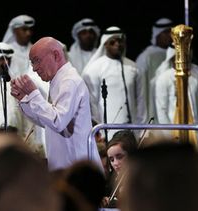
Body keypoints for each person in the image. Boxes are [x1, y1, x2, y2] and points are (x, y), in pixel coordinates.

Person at [10, 37, 103, 172]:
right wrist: (24, 100)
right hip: (66, 167)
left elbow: (58, 122)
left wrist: (34, 94)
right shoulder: (58, 80)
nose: (35, 69)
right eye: (32, 63)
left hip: (77, 170)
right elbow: (46, 122)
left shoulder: (69, 81)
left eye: (37, 61)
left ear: (56, 55)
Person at [82, 26, 146, 138]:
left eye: (120, 41)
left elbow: (141, 100)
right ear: (105, 44)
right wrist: (98, 131)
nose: (117, 44)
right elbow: (92, 103)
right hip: (106, 131)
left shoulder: (133, 68)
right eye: (112, 42)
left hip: (133, 131)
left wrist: (143, 130)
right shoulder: (94, 69)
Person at [155, 46, 198, 126]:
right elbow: (161, 110)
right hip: (174, 130)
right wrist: (169, 133)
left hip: (197, 128)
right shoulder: (164, 78)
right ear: (173, 57)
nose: (187, 55)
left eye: (189, 51)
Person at [136, 18, 174, 120]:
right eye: (166, 32)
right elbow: (141, 90)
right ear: (157, 34)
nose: (170, 36)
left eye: (171, 32)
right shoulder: (146, 57)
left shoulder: (176, 55)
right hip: (152, 110)